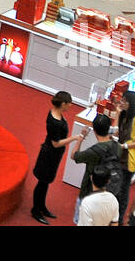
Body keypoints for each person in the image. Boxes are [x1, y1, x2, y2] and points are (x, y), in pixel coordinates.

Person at [31, 91, 80, 224]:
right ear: (63, 104)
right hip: (49, 155)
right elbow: (56, 143)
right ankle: (36, 210)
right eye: (69, 103)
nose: (70, 105)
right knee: (43, 182)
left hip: (53, 154)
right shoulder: (55, 122)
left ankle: (41, 206)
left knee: (45, 183)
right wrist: (74, 138)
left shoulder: (56, 114)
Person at [71, 113, 127, 223]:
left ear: (95, 130)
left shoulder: (94, 151)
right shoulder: (117, 146)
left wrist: (81, 137)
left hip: (89, 192)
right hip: (109, 191)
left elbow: (74, 155)